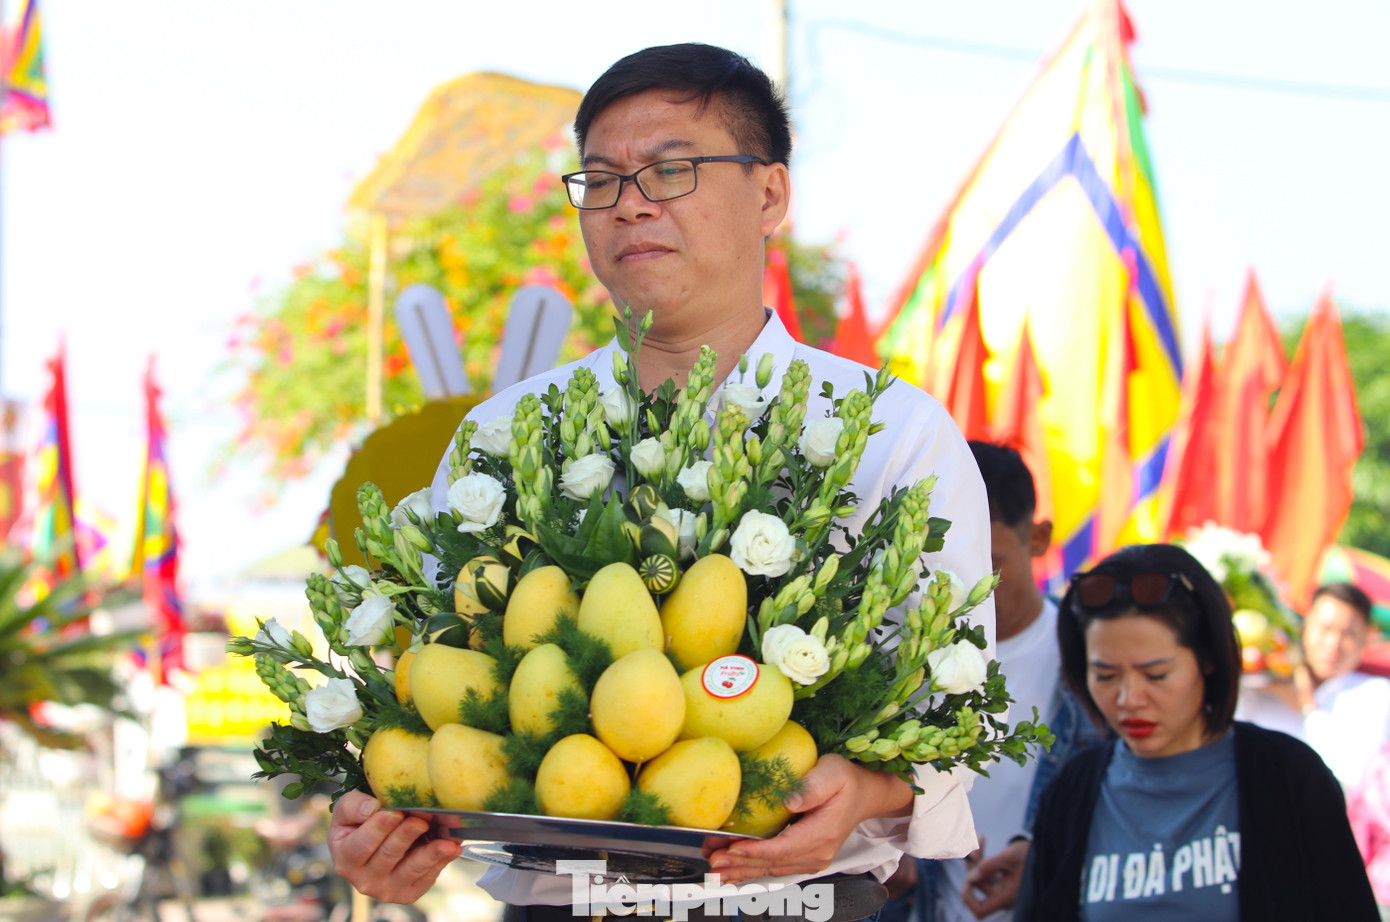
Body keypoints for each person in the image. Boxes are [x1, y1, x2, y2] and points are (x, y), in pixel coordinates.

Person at [325, 42, 997, 917]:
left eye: (670, 170)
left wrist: (867, 792)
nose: (629, 204)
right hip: (557, 901)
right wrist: (379, 822)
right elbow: (427, 684)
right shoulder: (504, 432)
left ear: (770, 193)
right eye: (599, 179)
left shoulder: (889, 431)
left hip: (797, 903)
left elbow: (965, 709)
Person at [1014, 543, 1376, 921]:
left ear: (1208, 660)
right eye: (1105, 675)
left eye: (1156, 675)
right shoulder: (1072, 789)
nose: (1129, 698)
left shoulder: (1289, 777)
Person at [886, 442, 1105, 922]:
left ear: (1040, 537)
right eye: (944, 564)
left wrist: (1044, 855)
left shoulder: (1094, 665)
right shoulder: (897, 658)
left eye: (989, 561)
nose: (969, 585)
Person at [1297, 582, 1390, 789]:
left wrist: (1306, 706)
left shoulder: (1375, 694)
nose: (1333, 643)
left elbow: (1354, 776)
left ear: (1365, 638)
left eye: (1348, 634)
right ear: (1306, 624)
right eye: (1325, 628)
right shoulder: (1262, 682)